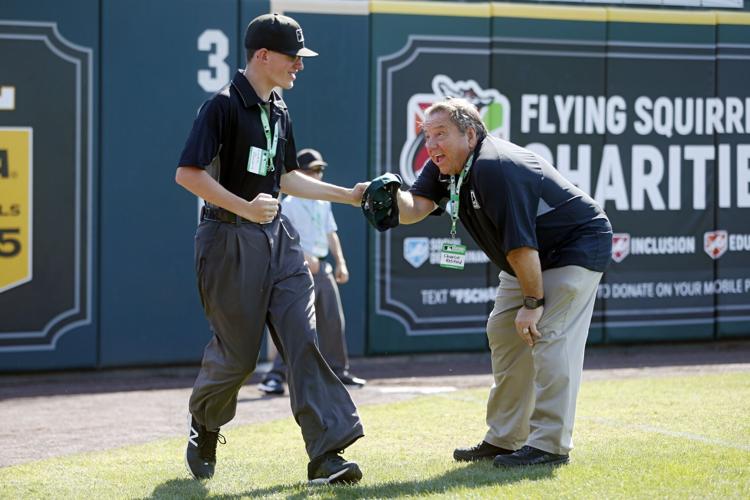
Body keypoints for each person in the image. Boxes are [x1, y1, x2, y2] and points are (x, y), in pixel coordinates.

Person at [175, 13, 366, 484]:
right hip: (226, 239)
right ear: (262, 55)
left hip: (278, 240)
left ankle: (327, 455)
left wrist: (348, 194)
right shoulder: (220, 106)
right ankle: (205, 422)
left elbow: (284, 177)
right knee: (238, 358)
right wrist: (243, 207)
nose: (299, 65)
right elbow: (188, 174)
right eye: (293, 56)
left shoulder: (278, 108)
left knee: (303, 341)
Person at [391, 97, 612, 467]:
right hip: (527, 256)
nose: (431, 145)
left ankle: (550, 445)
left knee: (548, 336)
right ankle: (507, 438)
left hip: (572, 246)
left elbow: (522, 247)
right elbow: (415, 207)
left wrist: (531, 304)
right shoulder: (446, 165)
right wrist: (374, 195)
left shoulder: (497, 167)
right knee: (504, 331)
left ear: (471, 134)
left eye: (440, 134)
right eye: (427, 135)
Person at [258, 148, 366, 396]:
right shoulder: (289, 204)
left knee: (332, 322)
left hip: (323, 268)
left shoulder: (323, 201)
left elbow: (331, 233)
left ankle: (339, 372)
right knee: (297, 327)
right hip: (297, 269)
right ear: (300, 173)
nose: (317, 175)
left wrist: (341, 262)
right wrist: (305, 259)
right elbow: (283, 239)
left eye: (320, 170)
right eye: (312, 171)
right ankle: (274, 378)